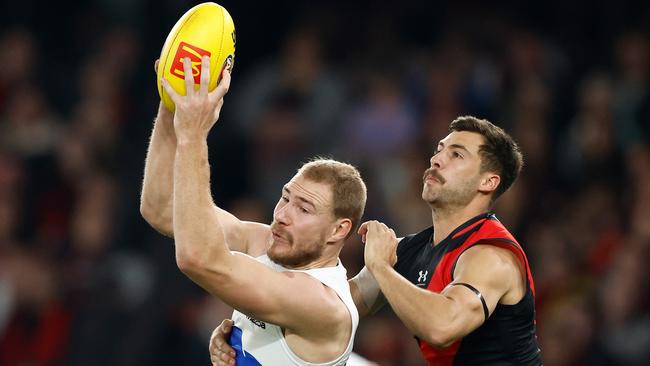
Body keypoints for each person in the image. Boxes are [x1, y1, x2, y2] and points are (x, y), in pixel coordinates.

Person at [211, 116, 543, 365]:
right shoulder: (414, 250)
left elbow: (443, 327)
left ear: (488, 182)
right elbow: (339, 307)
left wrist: (381, 267)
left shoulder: (491, 256)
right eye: (439, 149)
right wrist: (249, 333)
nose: (436, 159)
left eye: (456, 155)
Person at [140, 56, 366, 365]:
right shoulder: (265, 243)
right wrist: (172, 103)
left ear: (339, 230)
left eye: (304, 208)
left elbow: (197, 258)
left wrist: (192, 134)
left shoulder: (321, 303)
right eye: (285, 198)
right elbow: (161, 208)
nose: (283, 214)